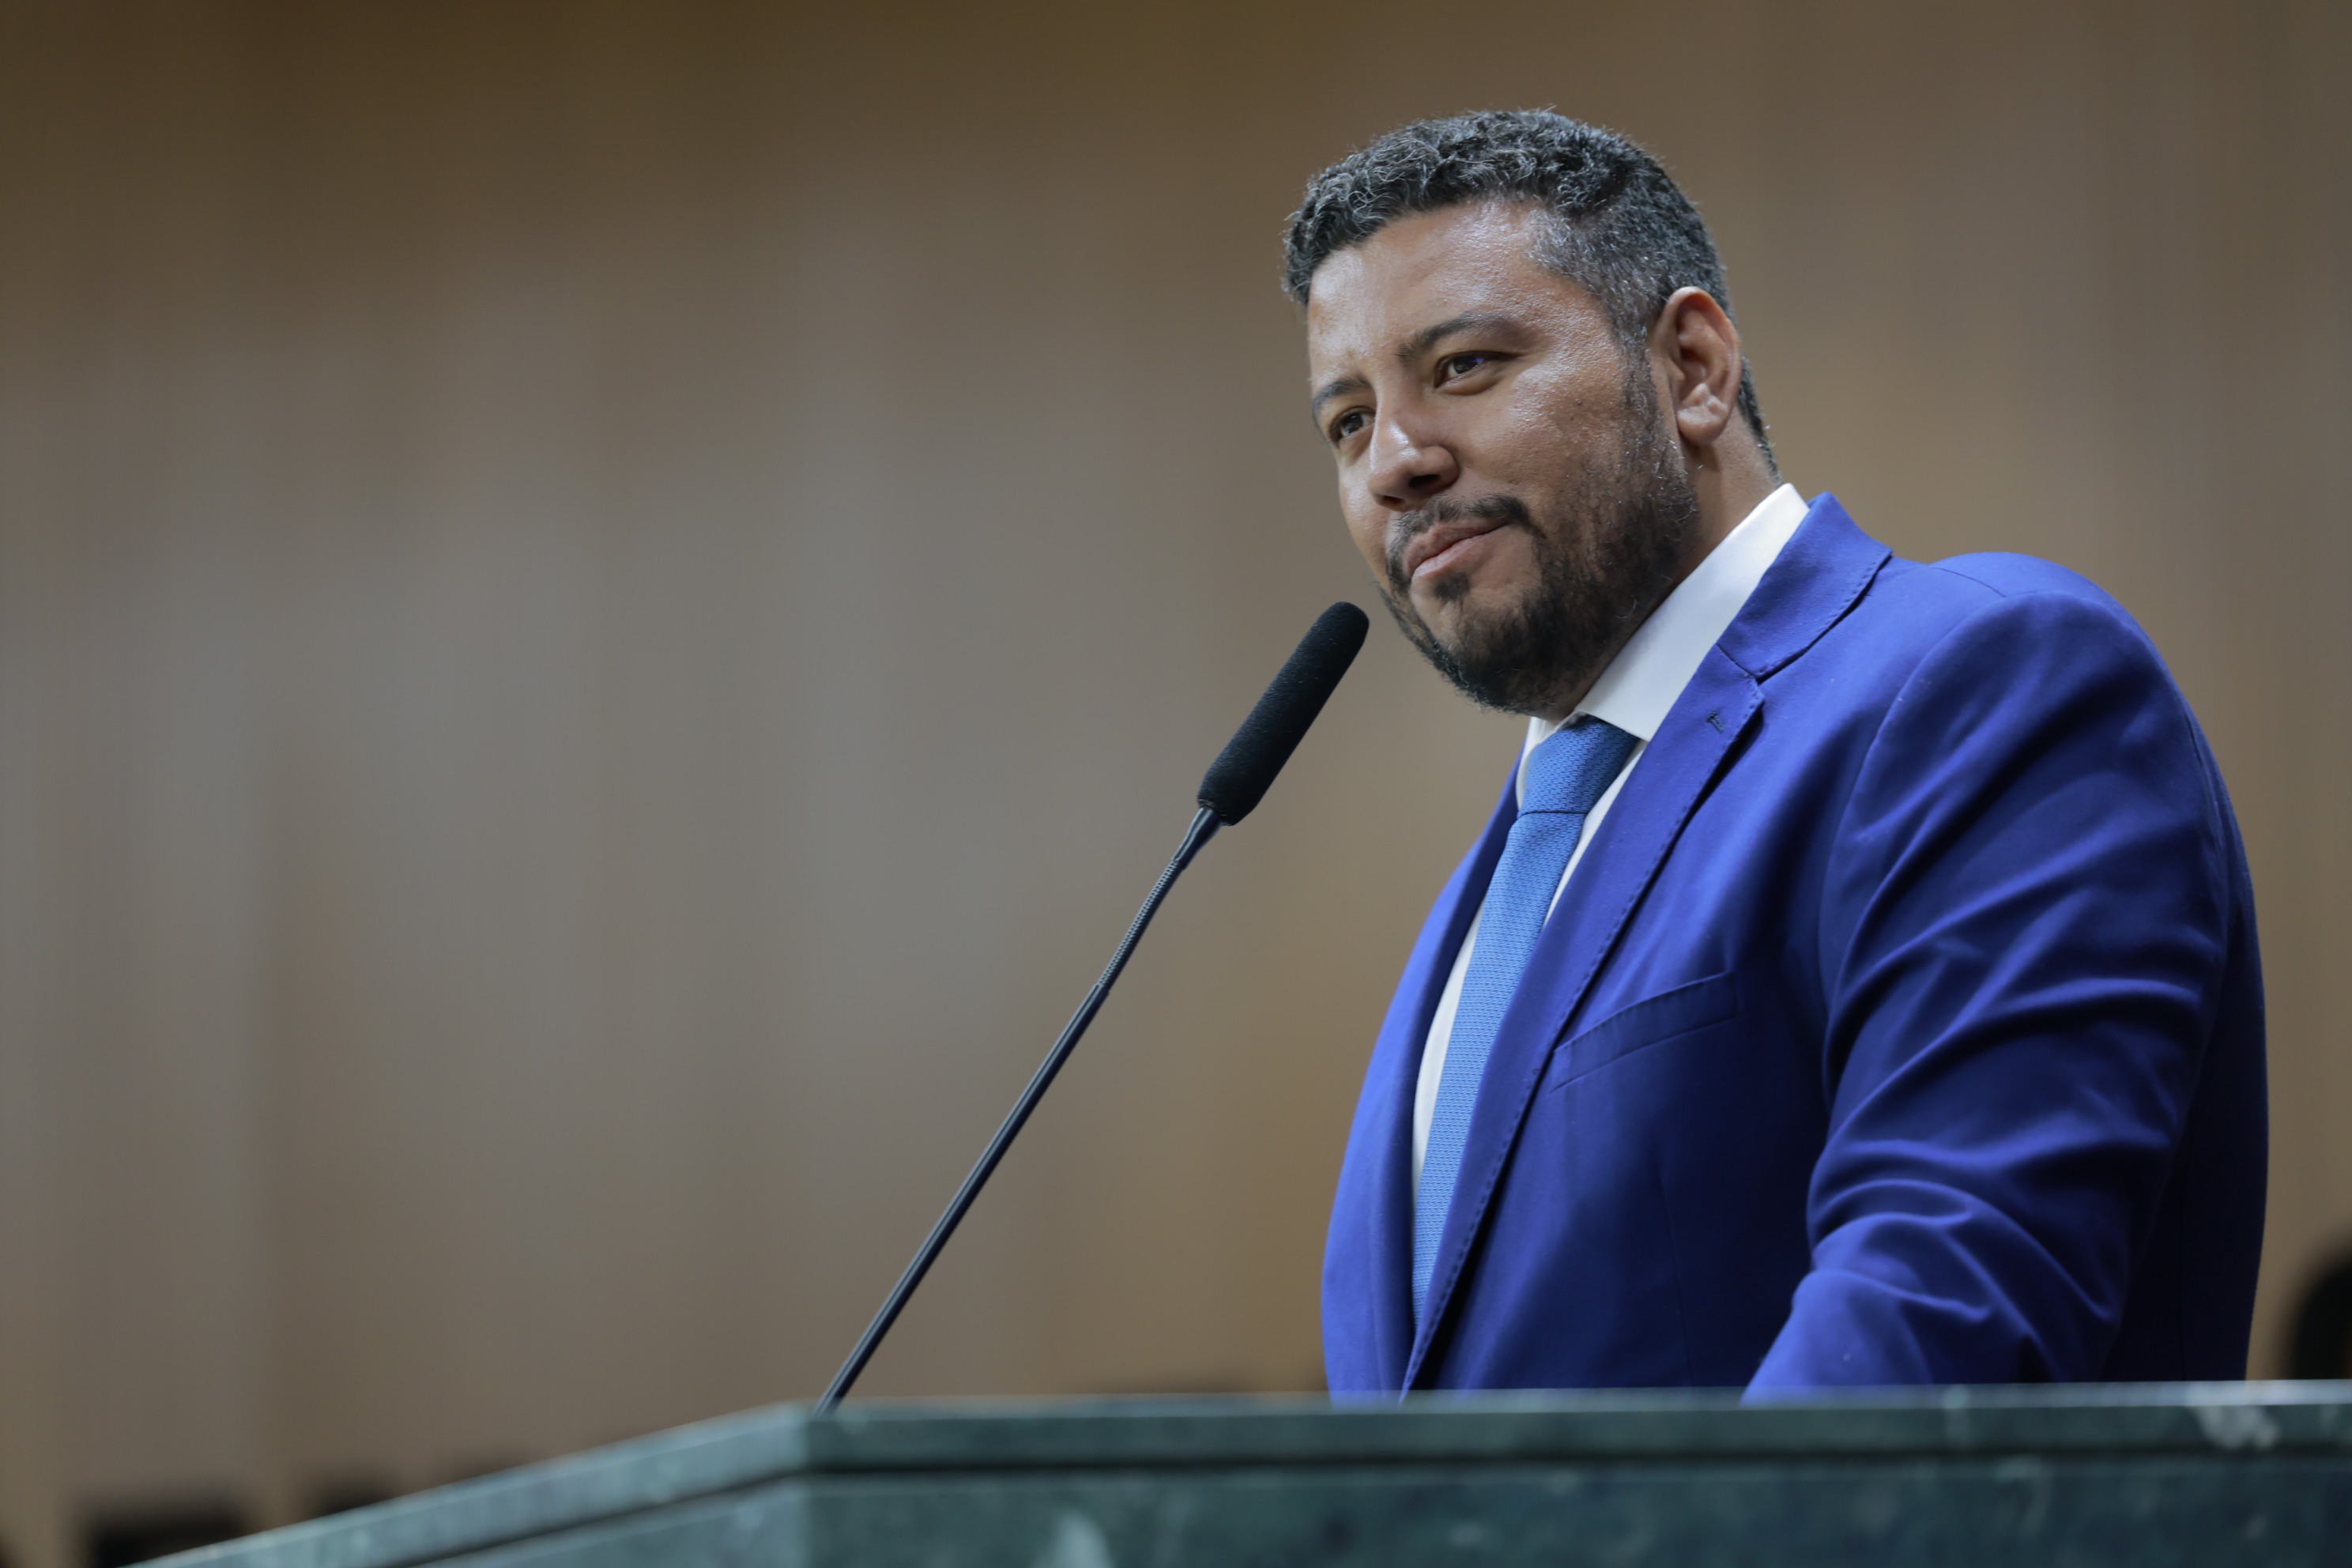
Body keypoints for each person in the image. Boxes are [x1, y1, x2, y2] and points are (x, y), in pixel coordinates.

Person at [1296, 111, 2266, 1394]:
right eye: (1349, 422)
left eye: (1465, 366)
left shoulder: (1984, 686)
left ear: (1693, 367)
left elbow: (1936, 1331)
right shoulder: (1511, 879)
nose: (1397, 464)